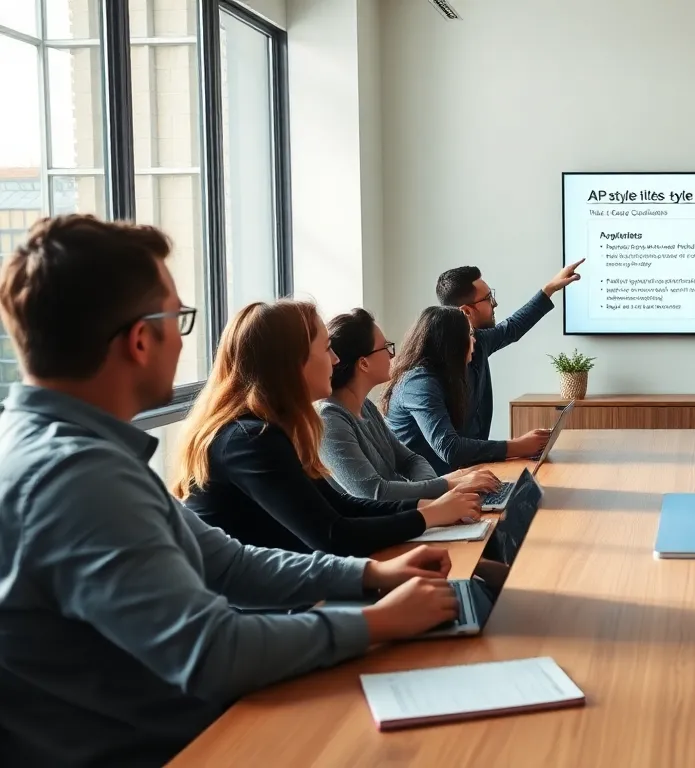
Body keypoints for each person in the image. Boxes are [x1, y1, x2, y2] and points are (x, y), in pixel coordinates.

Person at [0, 215, 462, 767]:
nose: (183, 336)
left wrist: (372, 575)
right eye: (179, 317)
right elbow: (211, 651)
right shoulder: (77, 477)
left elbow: (228, 563)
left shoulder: (72, 449)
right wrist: (378, 621)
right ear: (141, 340)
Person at [173, 300, 482, 557]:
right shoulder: (251, 440)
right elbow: (333, 535)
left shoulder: (271, 430)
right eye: (326, 349)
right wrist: (430, 514)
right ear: (293, 362)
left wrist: (429, 506)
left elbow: (339, 507)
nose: (335, 360)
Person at [321, 307, 501, 501]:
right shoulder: (330, 421)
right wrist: (448, 485)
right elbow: (376, 493)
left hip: (405, 514)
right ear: (364, 364)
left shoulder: (365, 406)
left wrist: (432, 493)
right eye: (385, 347)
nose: (392, 355)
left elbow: (411, 460)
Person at [434, 260, 583, 456]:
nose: (495, 303)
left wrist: (549, 289)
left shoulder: (479, 341)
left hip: (473, 471)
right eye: (488, 298)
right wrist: (517, 446)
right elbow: (449, 448)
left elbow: (512, 328)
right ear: (466, 311)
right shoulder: (430, 371)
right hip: (445, 481)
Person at [385, 306, 548, 472]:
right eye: (470, 334)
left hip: (450, 478)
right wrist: (518, 446)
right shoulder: (419, 382)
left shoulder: (444, 375)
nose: (474, 340)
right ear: (452, 343)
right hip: (422, 490)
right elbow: (450, 448)